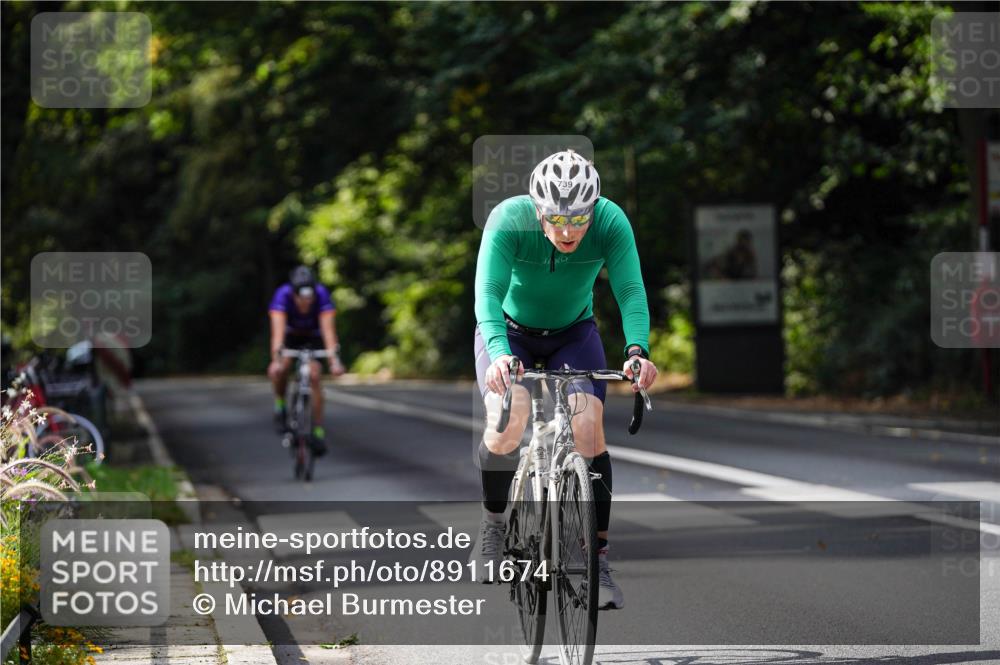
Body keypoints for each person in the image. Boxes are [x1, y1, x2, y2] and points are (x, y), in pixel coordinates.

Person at [471, 149, 658, 610]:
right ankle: (493, 526)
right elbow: (488, 292)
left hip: (574, 334)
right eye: (556, 218)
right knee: (508, 420)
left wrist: (637, 351)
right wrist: (499, 354)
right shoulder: (509, 219)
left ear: (593, 208)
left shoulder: (610, 221)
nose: (568, 230)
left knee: (588, 427)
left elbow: (630, 289)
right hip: (508, 334)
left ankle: (597, 561)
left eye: (579, 218)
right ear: (538, 210)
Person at [267, 266, 345, 456]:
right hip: (290, 336)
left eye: (310, 298)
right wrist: (276, 360)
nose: (306, 302)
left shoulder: (322, 294)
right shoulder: (283, 295)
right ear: (294, 294)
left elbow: (328, 331)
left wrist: (334, 361)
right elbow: (277, 334)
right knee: (282, 368)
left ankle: (317, 431)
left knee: (315, 375)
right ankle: (280, 405)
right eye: (302, 298)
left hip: (313, 337)